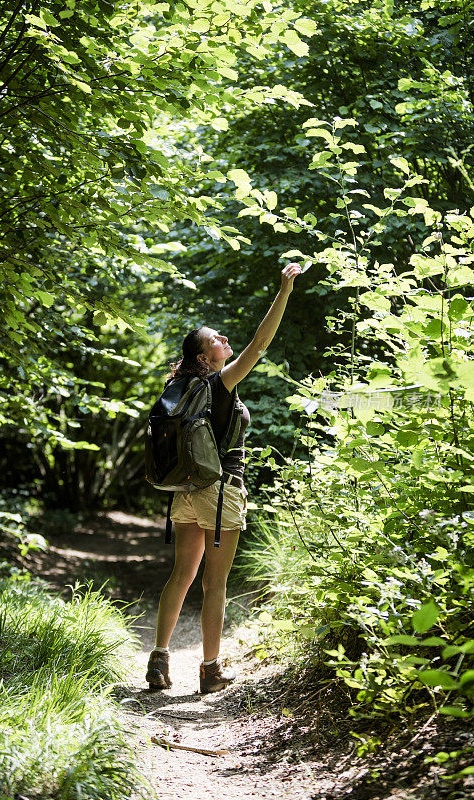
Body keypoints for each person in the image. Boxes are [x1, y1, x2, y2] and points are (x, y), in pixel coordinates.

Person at [146, 262, 303, 693]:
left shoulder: (180, 388)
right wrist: (284, 292)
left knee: (181, 575)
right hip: (220, 493)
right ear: (204, 357)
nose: (225, 340)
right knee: (215, 584)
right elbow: (260, 343)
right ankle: (210, 670)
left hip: (184, 492)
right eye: (216, 339)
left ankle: (158, 660)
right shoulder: (218, 384)